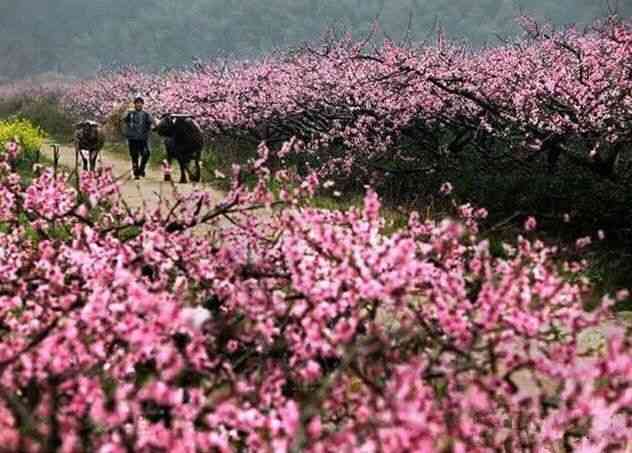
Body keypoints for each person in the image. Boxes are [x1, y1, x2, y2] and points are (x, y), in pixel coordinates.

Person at [122, 95, 154, 179]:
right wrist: (127, 113)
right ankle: (136, 173)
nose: (139, 105)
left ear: (143, 104)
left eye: (140, 103)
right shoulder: (130, 113)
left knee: (146, 154)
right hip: (132, 138)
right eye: (137, 103)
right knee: (134, 155)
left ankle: (142, 168)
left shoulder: (146, 114)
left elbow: (152, 122)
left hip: (143, 138)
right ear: (134, 104)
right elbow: (123, 119)